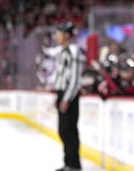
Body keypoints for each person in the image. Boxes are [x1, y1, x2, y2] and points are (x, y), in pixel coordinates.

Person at [53, 21, 83, 171]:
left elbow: (75, 79)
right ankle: (68, 163)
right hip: (62, 94)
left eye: (58, 34)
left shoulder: (74, 51)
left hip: (69, 96)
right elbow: (60, 76)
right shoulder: (62, 52)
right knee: (63, 130)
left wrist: (66, 98)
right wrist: (57, 96)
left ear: (66, 35)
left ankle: (74, 165)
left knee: (69, 129)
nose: (56, 37)